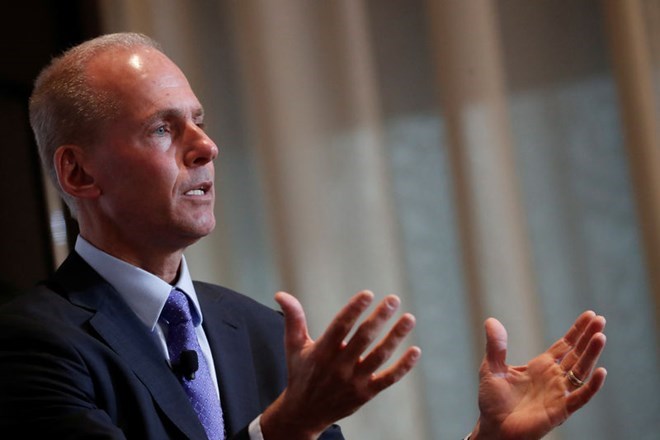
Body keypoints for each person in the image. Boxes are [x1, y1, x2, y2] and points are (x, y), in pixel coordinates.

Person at [0, 32, 607, 440]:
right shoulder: (30, 344)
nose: (206, 147)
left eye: (201, 122)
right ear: (78, 172)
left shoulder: (261, 333)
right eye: (163, 128)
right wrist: (285, 429)